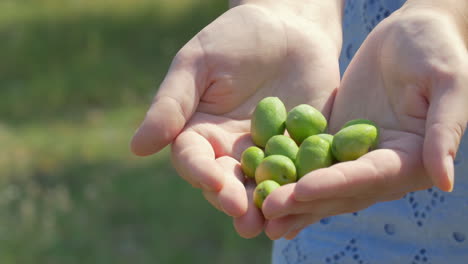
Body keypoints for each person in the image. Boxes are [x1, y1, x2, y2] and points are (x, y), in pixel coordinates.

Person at [131, 0, 468, 262]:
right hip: (330, 219)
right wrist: (288, 10)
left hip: (405, 95)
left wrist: (449, 12)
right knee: (302, 201)